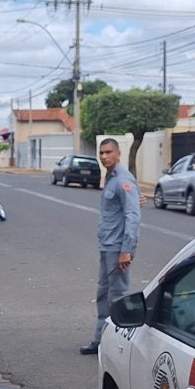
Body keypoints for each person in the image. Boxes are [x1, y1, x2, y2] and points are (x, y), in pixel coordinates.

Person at [80, 138, 141, 355]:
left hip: (117, 248)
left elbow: (132, 215)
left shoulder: (123, 179)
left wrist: (126, 250)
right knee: (103, 294)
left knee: (117, 297)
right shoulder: (112, 178)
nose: (104, 157)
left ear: (118, 154)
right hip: (107, 245)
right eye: (101, 153)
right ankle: (100, 340)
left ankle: (117, 346)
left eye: (108, 152)